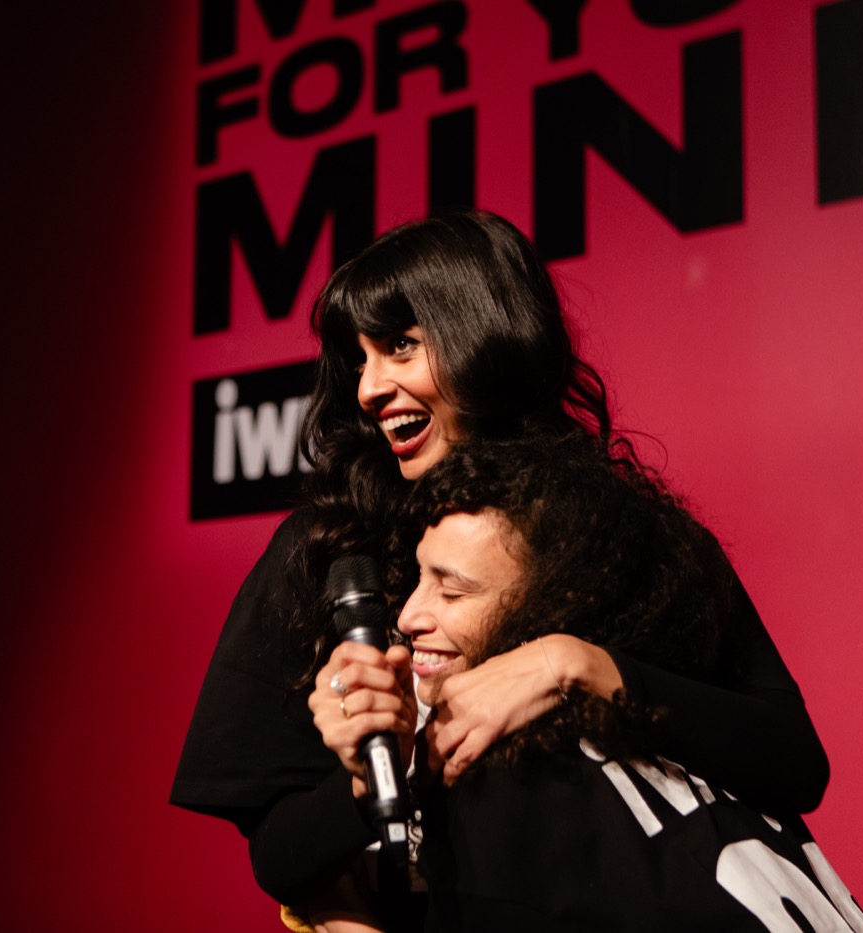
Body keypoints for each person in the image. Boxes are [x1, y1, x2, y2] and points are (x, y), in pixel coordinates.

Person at [170, 211, 828, 930]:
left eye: (400, 346)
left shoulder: (636, 535)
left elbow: (794, 762)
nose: (368, 388)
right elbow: (284, 855)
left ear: (483, 334)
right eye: (358, 359)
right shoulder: (331, 551)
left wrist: (576, 667)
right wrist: (381, 775)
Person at [314, 437, 863, 931]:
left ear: (553, 601)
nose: (408, 615)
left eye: (453, 591)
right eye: (418, 578)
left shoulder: (516, 787)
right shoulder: (673, 745)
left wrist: (568, 663)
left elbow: (800, 763)